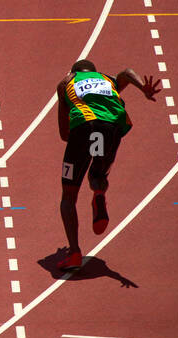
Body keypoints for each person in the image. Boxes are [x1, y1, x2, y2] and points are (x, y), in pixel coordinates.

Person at [56, 59, 160, 270]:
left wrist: (78, 144)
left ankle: (74, 252)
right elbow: (128, 71)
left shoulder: (67, 81)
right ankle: (98, 195)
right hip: (112, 126)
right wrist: (143, 89)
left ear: (73, 72)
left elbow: (64, 133)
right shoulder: (107, 79)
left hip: (84, 127)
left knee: (68, 195)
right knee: (97, 176)